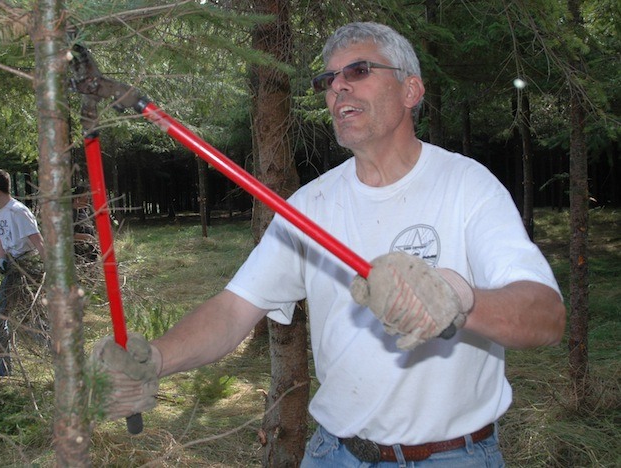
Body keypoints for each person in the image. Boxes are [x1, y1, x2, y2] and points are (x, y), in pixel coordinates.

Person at [92, 22, 566, 466]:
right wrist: (155, 358)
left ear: (411, 89)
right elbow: (236, 308)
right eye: (328, 79)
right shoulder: (310, 206)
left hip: (452, 456)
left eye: (358, 71)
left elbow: (546, 316)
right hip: (334, 454)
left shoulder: (466, 185)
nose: (338, 86)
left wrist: (462, 301)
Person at [0, 169, 45, 377]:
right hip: (13, 268)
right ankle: (2, 369)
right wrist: (1, 258)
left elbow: (38, 242)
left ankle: (64, 356)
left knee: (25, 320)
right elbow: (1, 238)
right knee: (6, 318)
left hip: (26, 268)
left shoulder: (18, 212)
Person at [72, 183, 98, 262]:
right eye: (86, 196)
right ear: (77, 198)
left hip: (88, 256)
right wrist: (88, 237)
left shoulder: (82, 211)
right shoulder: (69, 213)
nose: (88, 199)